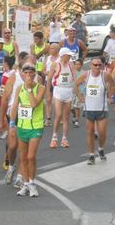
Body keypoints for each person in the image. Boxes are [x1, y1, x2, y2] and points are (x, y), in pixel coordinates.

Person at [9, 63, 46, 197]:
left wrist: (30, 89)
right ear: (23, 75)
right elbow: (14, 106)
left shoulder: (41, 88)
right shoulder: (19, 88)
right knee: (23, 157)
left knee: (31, 156)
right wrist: (12, 124)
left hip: (36, 126)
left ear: (35, 74)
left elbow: (34, 104)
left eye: (31, 73)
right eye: (26, 73)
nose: (29, 76)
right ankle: (25, 184)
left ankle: (32, 183)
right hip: (22, 126)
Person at [75, 56, 115, 164]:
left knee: (102, 133)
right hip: (89, 108)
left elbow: (113, 85)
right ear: (91, 65)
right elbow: (75, 84)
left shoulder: (105, 75)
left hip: (102, 108)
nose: (98, 67)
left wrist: (111, 96)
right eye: (95, 65)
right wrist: (79, 96)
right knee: (90, 132)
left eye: (99, 65)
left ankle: (101, 148)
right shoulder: (86, 75)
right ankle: (91, 155)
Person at [48, 47, 76, 148]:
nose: (69, 57)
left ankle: (64, 138)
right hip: (58, 90)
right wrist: (48, 93)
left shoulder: (71, 64)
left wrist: (76, 90)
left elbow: (74, 77)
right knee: (58, 114)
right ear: (63, 55)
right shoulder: (56, 64)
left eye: (69, 56)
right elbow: (49, 78)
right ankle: (54, 137)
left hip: (68, 90)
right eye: (68, 55)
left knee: (66, 117)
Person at [43, 43, 59, 126]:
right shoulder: (48, 58)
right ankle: (48, 118)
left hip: (57, 82)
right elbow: (43, 70)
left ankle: (59, 117)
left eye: (52, 48)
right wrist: (48, 73)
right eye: (50, 48)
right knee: (48, 100)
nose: (50, 50)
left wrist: (54, 73)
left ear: (57, 49)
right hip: (48, 81)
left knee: (58, 100)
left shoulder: (60, 58)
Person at [72, 58, 85, 127]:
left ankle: (77, 120)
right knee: (71, 107)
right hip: (72, 92)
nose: (77, 66)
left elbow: (83, 81)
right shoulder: (72, 72)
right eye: (76, 64)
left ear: (81, 65)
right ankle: (74, 115)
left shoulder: (84, 73)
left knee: (77, 106)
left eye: (79, 64)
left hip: (80, 91)